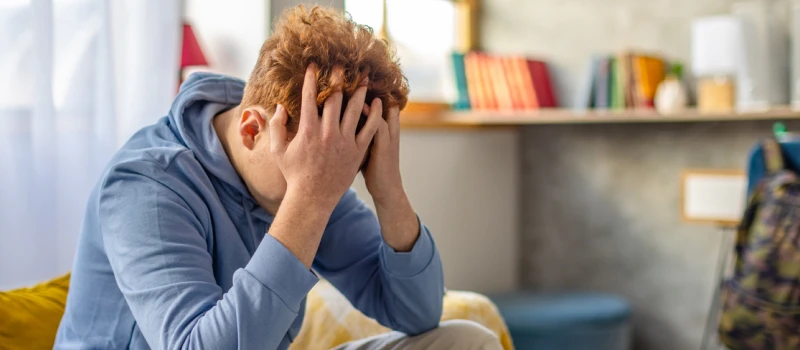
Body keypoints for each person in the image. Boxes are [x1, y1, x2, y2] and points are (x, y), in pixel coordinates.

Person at [55, 5, 502, 350]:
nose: (335, 183)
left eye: (344, 167)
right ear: (252, 129)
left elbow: (418, 313)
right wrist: (309, 196)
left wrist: (389, 192)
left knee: (467, 340)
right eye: (320, 169)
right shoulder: (145, 187)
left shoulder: (319, 168)